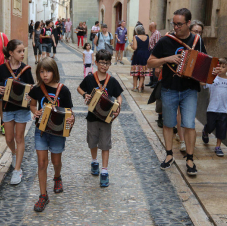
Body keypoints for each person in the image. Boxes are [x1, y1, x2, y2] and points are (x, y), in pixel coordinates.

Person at [147, 8, 217, 176]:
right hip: (169, 89)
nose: (176, 27)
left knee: (189, 124)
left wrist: (212, 72)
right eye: (174, 23)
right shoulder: (165, 41)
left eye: (179, 24)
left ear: (188, 24)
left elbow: (205, 63)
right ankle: (169, 154)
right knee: (168, 124)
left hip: (189, 90)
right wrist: (167, 59)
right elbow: (150, 62)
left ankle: (190, 159)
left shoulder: (197, 41)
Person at [29, 58, 75, 212]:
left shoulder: (63, 90)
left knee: (56, 161)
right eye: (41, 72)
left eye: (48, 71)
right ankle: (43, 195)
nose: (45, 75)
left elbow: (69, 111)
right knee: (42, 163)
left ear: (54, 71)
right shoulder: (37, 89)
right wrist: (35, 112)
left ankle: (57, 176)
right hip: (40, 131)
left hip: (57, 132)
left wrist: (71, 119)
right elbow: (32, 104)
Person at [77, 50, 123, 187]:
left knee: (105, 144)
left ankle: (104, 171)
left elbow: (119, 95)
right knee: (92, 142)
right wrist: (85, 94)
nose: (104, 65)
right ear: (96, 63)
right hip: (92, 117)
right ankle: (94, 161)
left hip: (106, 119)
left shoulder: (112, 81)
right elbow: (79, 88)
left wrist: (118, 106)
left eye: (107, 63)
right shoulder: (90, 78)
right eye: (102, 62)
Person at [0, 39, 35, 185]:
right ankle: (13, 153)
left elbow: (32, 87)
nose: (22, 54)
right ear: (10, 53)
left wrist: (29, 93)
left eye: (23, 51)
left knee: (19, 138)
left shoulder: (26, 69)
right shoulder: (2, 69)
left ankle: (17, 170)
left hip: (22, 109)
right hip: (7, 108)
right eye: (19, 51)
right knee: (9, 138)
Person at [176, 19, 206, 152]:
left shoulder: (200, 43)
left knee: (188, 114)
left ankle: (185, 139)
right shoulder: (182, 42)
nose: (198, 34)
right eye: (195, 31)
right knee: (179, 111)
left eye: (200, 32)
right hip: (177, 82)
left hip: (191, 84)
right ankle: (182, 140)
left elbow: (204, 62)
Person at [201, 57, 227, 157]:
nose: (220, 68)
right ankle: (206, 131)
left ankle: (218, 147)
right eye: (219, 66)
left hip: (224, 110)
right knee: (211, 126)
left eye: (223, 67)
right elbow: (202, 83)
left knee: (221, 129)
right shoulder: (213, 79)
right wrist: (211, 74)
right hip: (212, 108)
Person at [130, 25, 151, 93]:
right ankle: (140, 87)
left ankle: (135, 87)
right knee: (143, 72)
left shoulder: (136, 37)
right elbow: (148, 47)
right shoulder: (147, 37)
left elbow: (135, 47)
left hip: (138, 55)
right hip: (146, 55)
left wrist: (131, 46)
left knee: (135, 72)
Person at [146, 22, 162, 87]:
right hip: (151, 50)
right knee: (151, 67)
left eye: (149, 26)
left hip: (154, 51)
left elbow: (157, 44)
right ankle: (151, 81)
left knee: (155, 67)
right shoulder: (153, 33)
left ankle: (155, 82)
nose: (149, 28)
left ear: (152, 27)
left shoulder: (157, 33)